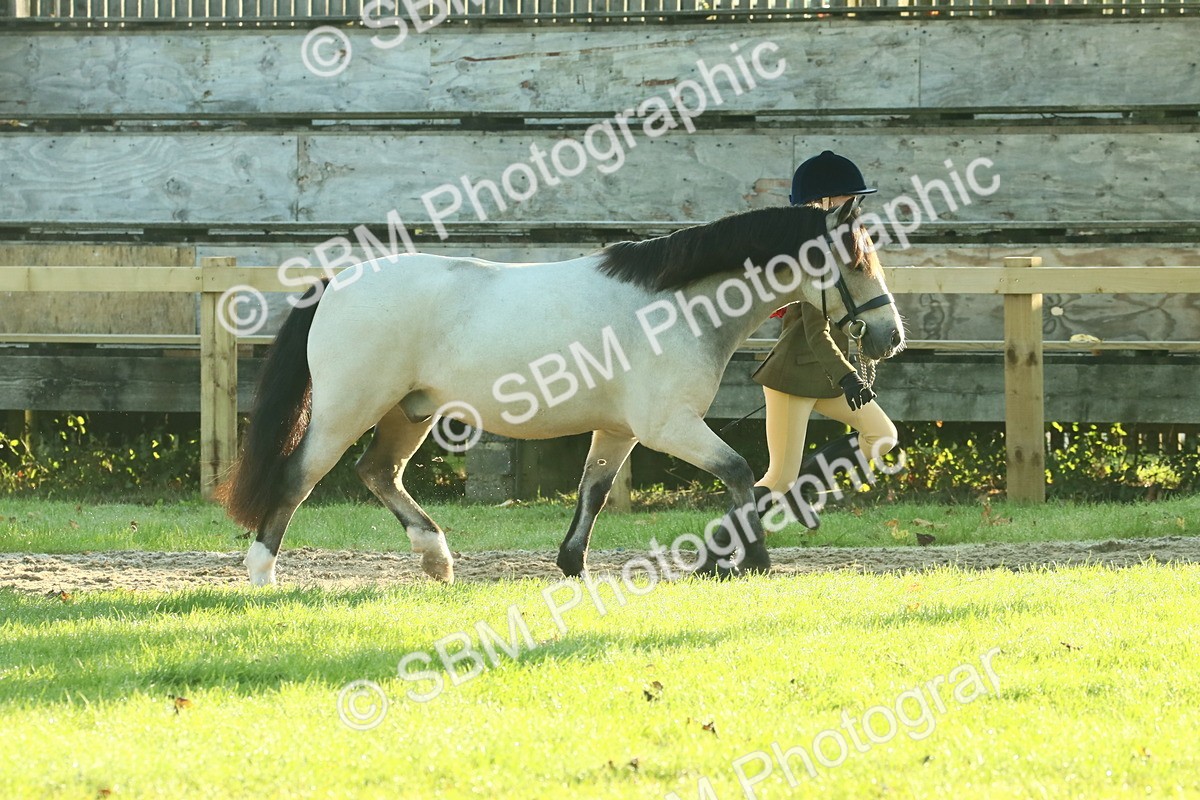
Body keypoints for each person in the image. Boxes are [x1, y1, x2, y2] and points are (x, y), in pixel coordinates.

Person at [749, 151, 900, 529]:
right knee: (778, 478)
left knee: (882, 436)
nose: (856, 205)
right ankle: (726, 543)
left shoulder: (845, 246)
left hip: (829, 376)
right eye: (848, 198)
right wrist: (849, 377)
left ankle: (807, 484)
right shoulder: (812, 258)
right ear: (823, 204)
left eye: (856, 198)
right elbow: (815, 333)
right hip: (794, 378)